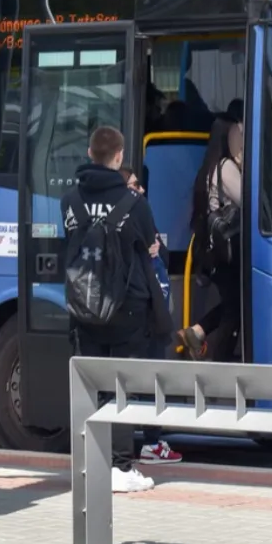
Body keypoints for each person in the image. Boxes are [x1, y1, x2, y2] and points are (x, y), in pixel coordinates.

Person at [62, 126, 172, 492]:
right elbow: (150, 246)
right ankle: (122, 467)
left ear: (90, 153)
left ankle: (94, 464)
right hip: (127, 308)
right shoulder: (135, 205)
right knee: (122, 386)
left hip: (85, 307)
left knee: (92, 387)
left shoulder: (69, 201)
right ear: (119, 157)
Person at [117, 165, 182, 465]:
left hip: (155, 313)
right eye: (134, 184)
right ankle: (151, 442)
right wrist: (146, 252)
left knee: (154, 375)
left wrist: (156, 249)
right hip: (141, 314)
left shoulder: (143, 214)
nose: (141, 189)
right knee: (146, 378)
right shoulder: (122, 221)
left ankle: (152, 441)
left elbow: (165, 255)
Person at [177, 118, 243, 363]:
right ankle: (219, 360)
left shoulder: (210, 166)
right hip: (227, 248)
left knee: (232, 303)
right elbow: (248, 198)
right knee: (235, 307)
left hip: (214, 249)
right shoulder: (226, 166)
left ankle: (196, 333)